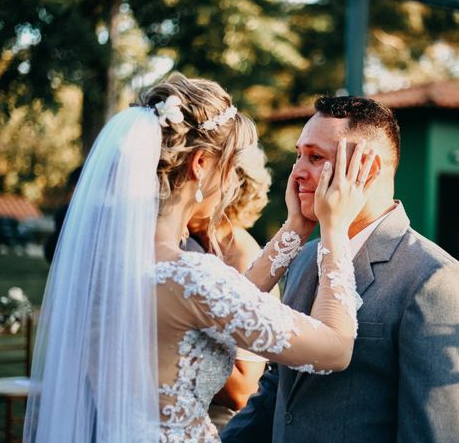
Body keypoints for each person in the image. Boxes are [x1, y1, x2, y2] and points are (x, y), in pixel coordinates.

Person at [24, 73, 377, 442]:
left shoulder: (105, 265)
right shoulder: (189, 275)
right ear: (200, 164)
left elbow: (226, 300)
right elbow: (335, 349)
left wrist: (296, 229)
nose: (231, 184)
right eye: (230, 167)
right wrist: (334, 229)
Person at [221, 96, 459, 443]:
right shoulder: (304, 258)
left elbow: (437, 434)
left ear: (368, 169)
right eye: (299, 155)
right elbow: (280, 387)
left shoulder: (435, 281)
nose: (298, 172)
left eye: (315, 158)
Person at [185, 133, 275, 430]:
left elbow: (242, 389)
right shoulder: (166, 242)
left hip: (217, 429)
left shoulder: (244, 260)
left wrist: (173, 342)